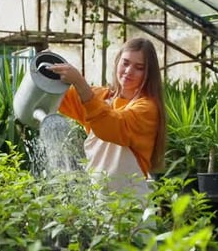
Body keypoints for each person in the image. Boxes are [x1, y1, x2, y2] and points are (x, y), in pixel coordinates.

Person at [47, 37, 166, 202]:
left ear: (148, 73)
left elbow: (111, 126)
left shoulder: (147, 108)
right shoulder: (101, 97)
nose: (129, 71)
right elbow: (56, 96)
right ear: (117, 62)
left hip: (130, 205)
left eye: (139, 67)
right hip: (99, 202)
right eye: (125, 63)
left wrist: (80, 82)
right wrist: (48, 68)